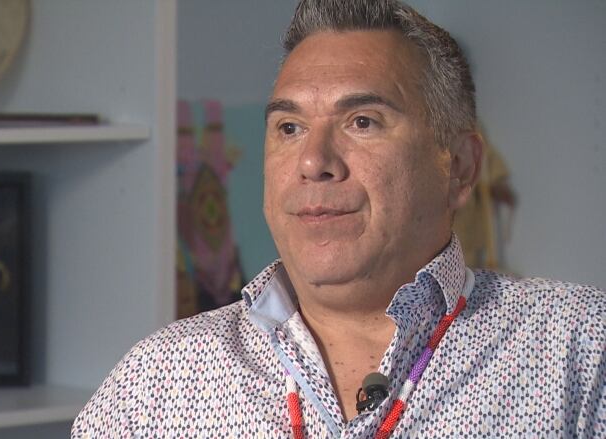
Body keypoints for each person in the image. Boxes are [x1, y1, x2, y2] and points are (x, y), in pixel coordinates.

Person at [72, 0, 605, 437]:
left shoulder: (579, 348)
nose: (314, 161)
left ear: (459, 168)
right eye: (288, 128)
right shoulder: (157, 381)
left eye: (362, 121)